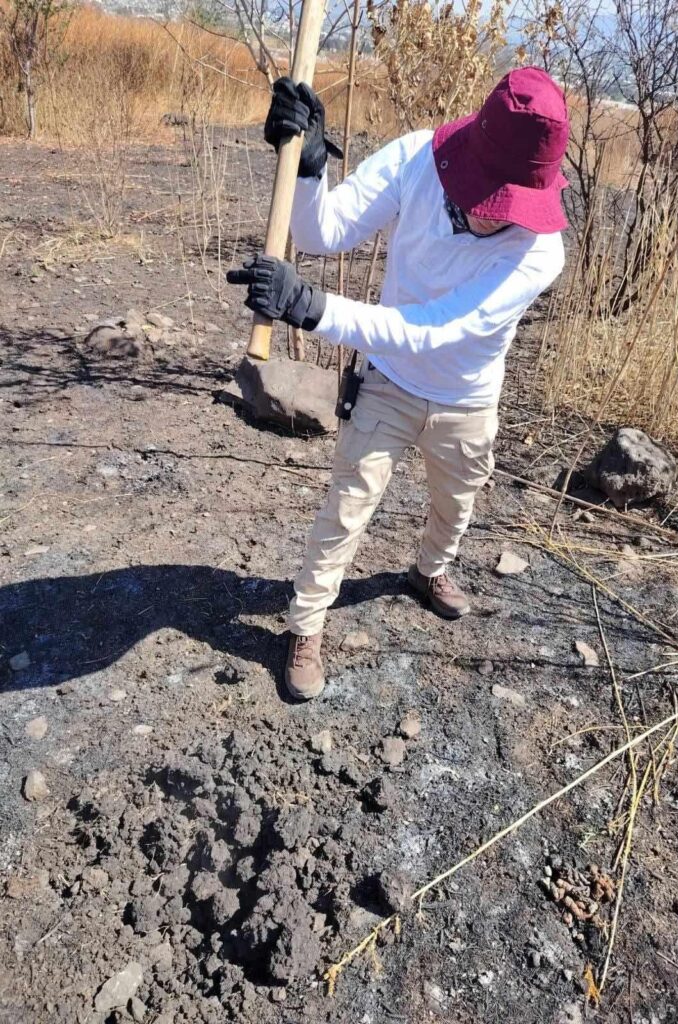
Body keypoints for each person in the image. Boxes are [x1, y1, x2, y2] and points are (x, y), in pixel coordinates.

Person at [227, 67, 570, 701]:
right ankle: (305, 626)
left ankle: (429, 571)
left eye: (513, 203)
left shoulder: (540, 253)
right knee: (346, 509)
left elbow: (436, 329)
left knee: (455, 506)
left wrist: (312, 308)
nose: (498, 218)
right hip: (389, 380)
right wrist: (307, 167)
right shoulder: (418, 156)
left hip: (467, 398)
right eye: (495, 198)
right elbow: (321, 233)